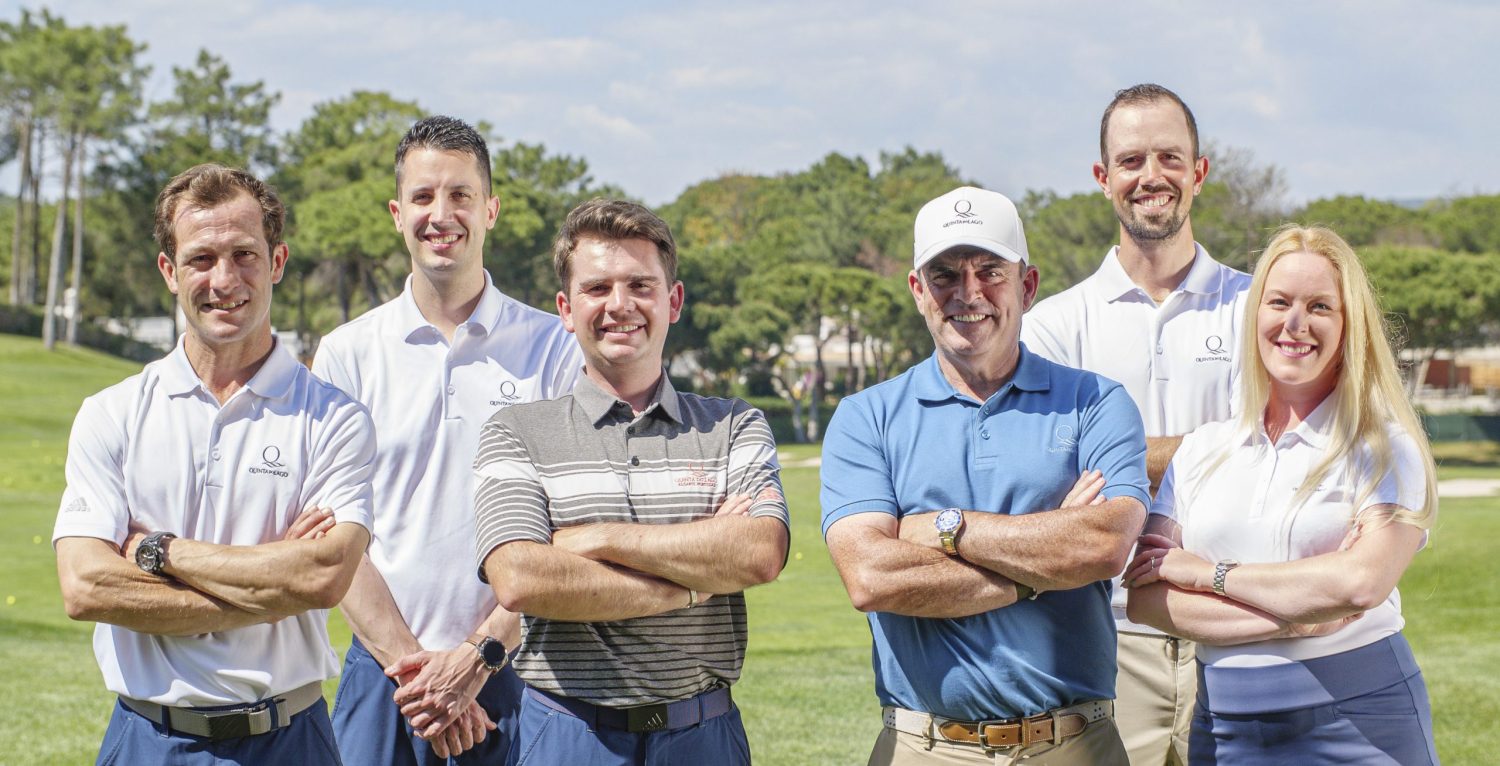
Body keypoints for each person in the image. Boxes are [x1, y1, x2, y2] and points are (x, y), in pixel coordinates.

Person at [54, 163, 374, 764]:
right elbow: (86, 585)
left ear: (276, 263)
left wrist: (158, 553)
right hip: (147, 738)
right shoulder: (113, 413)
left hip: (289, 739)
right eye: (201, 259)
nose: (224, 279)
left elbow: (323, 578)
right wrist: (275, 582)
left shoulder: (335, 418)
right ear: (170, 272)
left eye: (244, 254)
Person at [822, 185, 1151, 765]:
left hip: (1074, 742)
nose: (967, 293)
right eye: (944, 274)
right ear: (918, 290)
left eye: (989, 270)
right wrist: (1046, 563)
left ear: (1027, 286)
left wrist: (946, 528)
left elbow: (1104, 544)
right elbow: (871, 576)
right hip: (923, 746)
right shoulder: (865, 416)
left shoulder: (1096, 402)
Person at [475, 198, 790, 765]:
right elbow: (520, 578)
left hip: (703, 733)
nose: (620, 305)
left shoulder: (735, 423)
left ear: (673, 300)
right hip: (570, 734)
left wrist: (595, 539)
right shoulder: (516, 431)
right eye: (597, 289)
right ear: (566, 309)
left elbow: (760, 551)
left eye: (640, 286)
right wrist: (693, 582)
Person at [314, 116, 582, 765]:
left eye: (461, 194)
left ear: (490, 209)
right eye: (424, 196)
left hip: (519, 668)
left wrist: (479, 655)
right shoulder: (347, 354)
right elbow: (331, 536)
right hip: (383, 673)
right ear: (396, 213)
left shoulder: (556, 349)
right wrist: (420, 676)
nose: (442, 213)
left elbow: (573, 529)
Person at [1124, 225, 1439, 764]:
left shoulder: (1385, 447)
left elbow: (1360, 584)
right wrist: (1297, 614)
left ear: (1349, 325)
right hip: (1224, 729)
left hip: (1361, 721)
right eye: (1279, 302)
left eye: (1320, 306)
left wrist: (1206, 575)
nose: (1296, 323)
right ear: (1255, 315)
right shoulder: (1201, 450)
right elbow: (1148, 599)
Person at [1022, 83, 1250, 766]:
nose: (1151, 176)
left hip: (1238, 624)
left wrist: (1110, 454)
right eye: (1131, 161)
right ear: (1103, 179)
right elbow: (1043, 469)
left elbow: (1279, 460)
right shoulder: (1054, 326)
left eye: (1170, 158)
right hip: (1107, 635)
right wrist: (1224, 444)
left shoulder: (1260, 308)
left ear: (1199, 172)